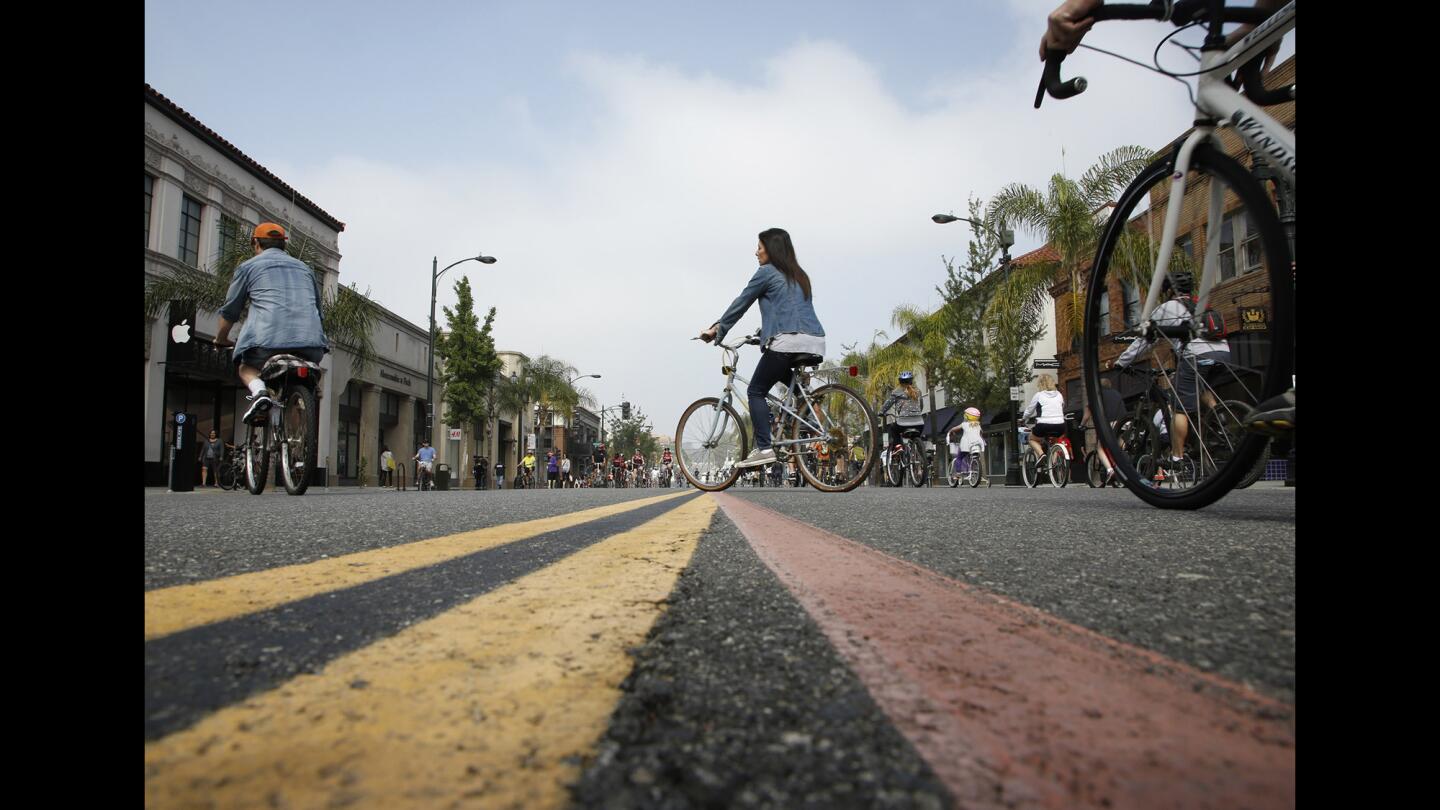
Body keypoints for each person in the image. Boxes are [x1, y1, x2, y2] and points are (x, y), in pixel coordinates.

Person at [699, 228, 827, 469]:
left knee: (756, 391)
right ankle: (808, 410)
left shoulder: (766, 272)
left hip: (786, 341)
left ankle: (765, 448)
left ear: (772, 249)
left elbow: (742, 302)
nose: (755, 252)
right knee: (781, 372)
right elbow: (790, 310)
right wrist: (763, 335)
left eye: (759, 247)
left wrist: (717, 329)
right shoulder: (800, 275)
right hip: (815, 340)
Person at [212, 223, 328, 426]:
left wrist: (221, 338)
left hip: (266, 344)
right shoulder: (306, 270)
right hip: (312, 345)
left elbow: (231, 310)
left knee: (246, 368)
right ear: (284, 244)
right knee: (303, 377)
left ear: (255, 243)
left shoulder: (249, 267)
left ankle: (260, 393)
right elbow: (318, 310)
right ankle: (297, 433)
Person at [1113, 271, 1228, 473]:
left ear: (1167, 291)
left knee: (1180, 408)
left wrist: (1121, 362)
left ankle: (1177, 456)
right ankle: (1219, 420)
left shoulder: (1166, 308)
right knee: (1202, 389)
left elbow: (1144, 341)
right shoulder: (1202, 305)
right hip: (1223, 353)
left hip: (1195, 355)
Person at [1023, 374, 1067, 463]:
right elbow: (1062, 406)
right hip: (1060, 425)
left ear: (1040, 384)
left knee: (1031, 439)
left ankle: (1041, 454)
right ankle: (1053, 463)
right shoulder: (1059, 394)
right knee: (1055, 441)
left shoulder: (1039, 395)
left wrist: (1023, 418)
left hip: (1043, 425)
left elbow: (1029, 411)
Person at [879, 372, 926, 453]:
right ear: (911, 381)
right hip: (919, 422)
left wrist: (881, 412)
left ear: (900, 382)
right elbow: (921, 405)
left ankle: (898, 446)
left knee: (893, 429)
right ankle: (919, 452)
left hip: (903, 423)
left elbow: (887, 404)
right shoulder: (918, 391)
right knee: (916, 436)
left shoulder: (896, 392)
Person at [946, 407, 987, 478]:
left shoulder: (964, 424)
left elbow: (955, 428)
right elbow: (981, 433)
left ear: (967, 416)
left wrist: (950, 431)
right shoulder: (978, 425)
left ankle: (958, 473)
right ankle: (974, 469)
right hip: (977, 444)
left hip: (966, 445)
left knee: (959, 458)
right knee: (974, 456)